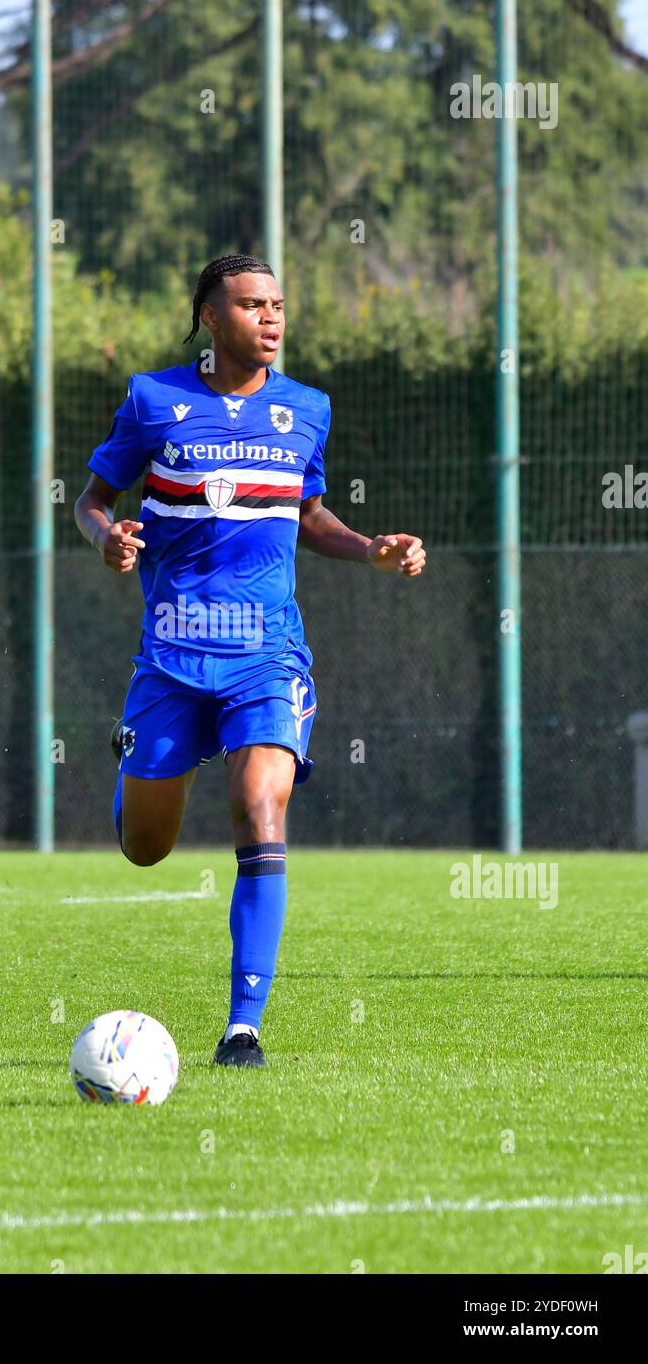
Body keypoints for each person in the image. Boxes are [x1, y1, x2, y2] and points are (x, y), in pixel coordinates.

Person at [74, 254, 426, 1068]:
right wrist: (109, 538)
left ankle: (243, 1028)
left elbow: (308, 512)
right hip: (170, 652)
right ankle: (144, 762)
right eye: (249, 305)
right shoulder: (153, 400)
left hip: (267, 653)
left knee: (260, 805)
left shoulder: (306, 409)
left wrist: (371, 546)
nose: (269, 319)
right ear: (207, 316)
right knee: (146, 848)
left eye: (276, 305)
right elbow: (92, 499)